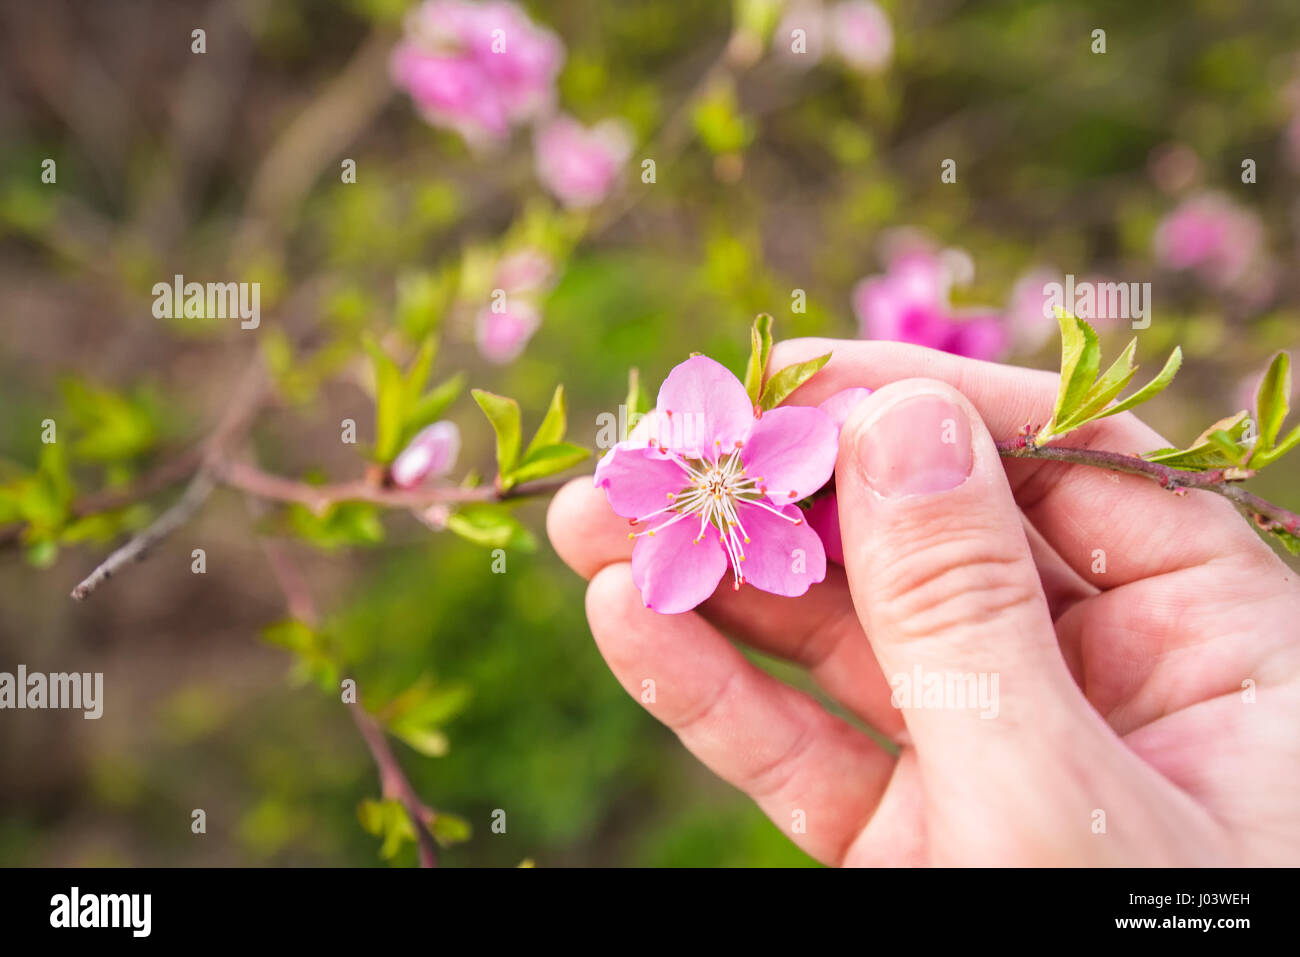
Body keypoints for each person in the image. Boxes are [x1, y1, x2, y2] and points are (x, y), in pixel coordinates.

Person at [547, 337, 1300, 866]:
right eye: (704, 486)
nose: (716, 491)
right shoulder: (675, 511)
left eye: (722, 481)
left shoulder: (788, 458)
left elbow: (807, 443)